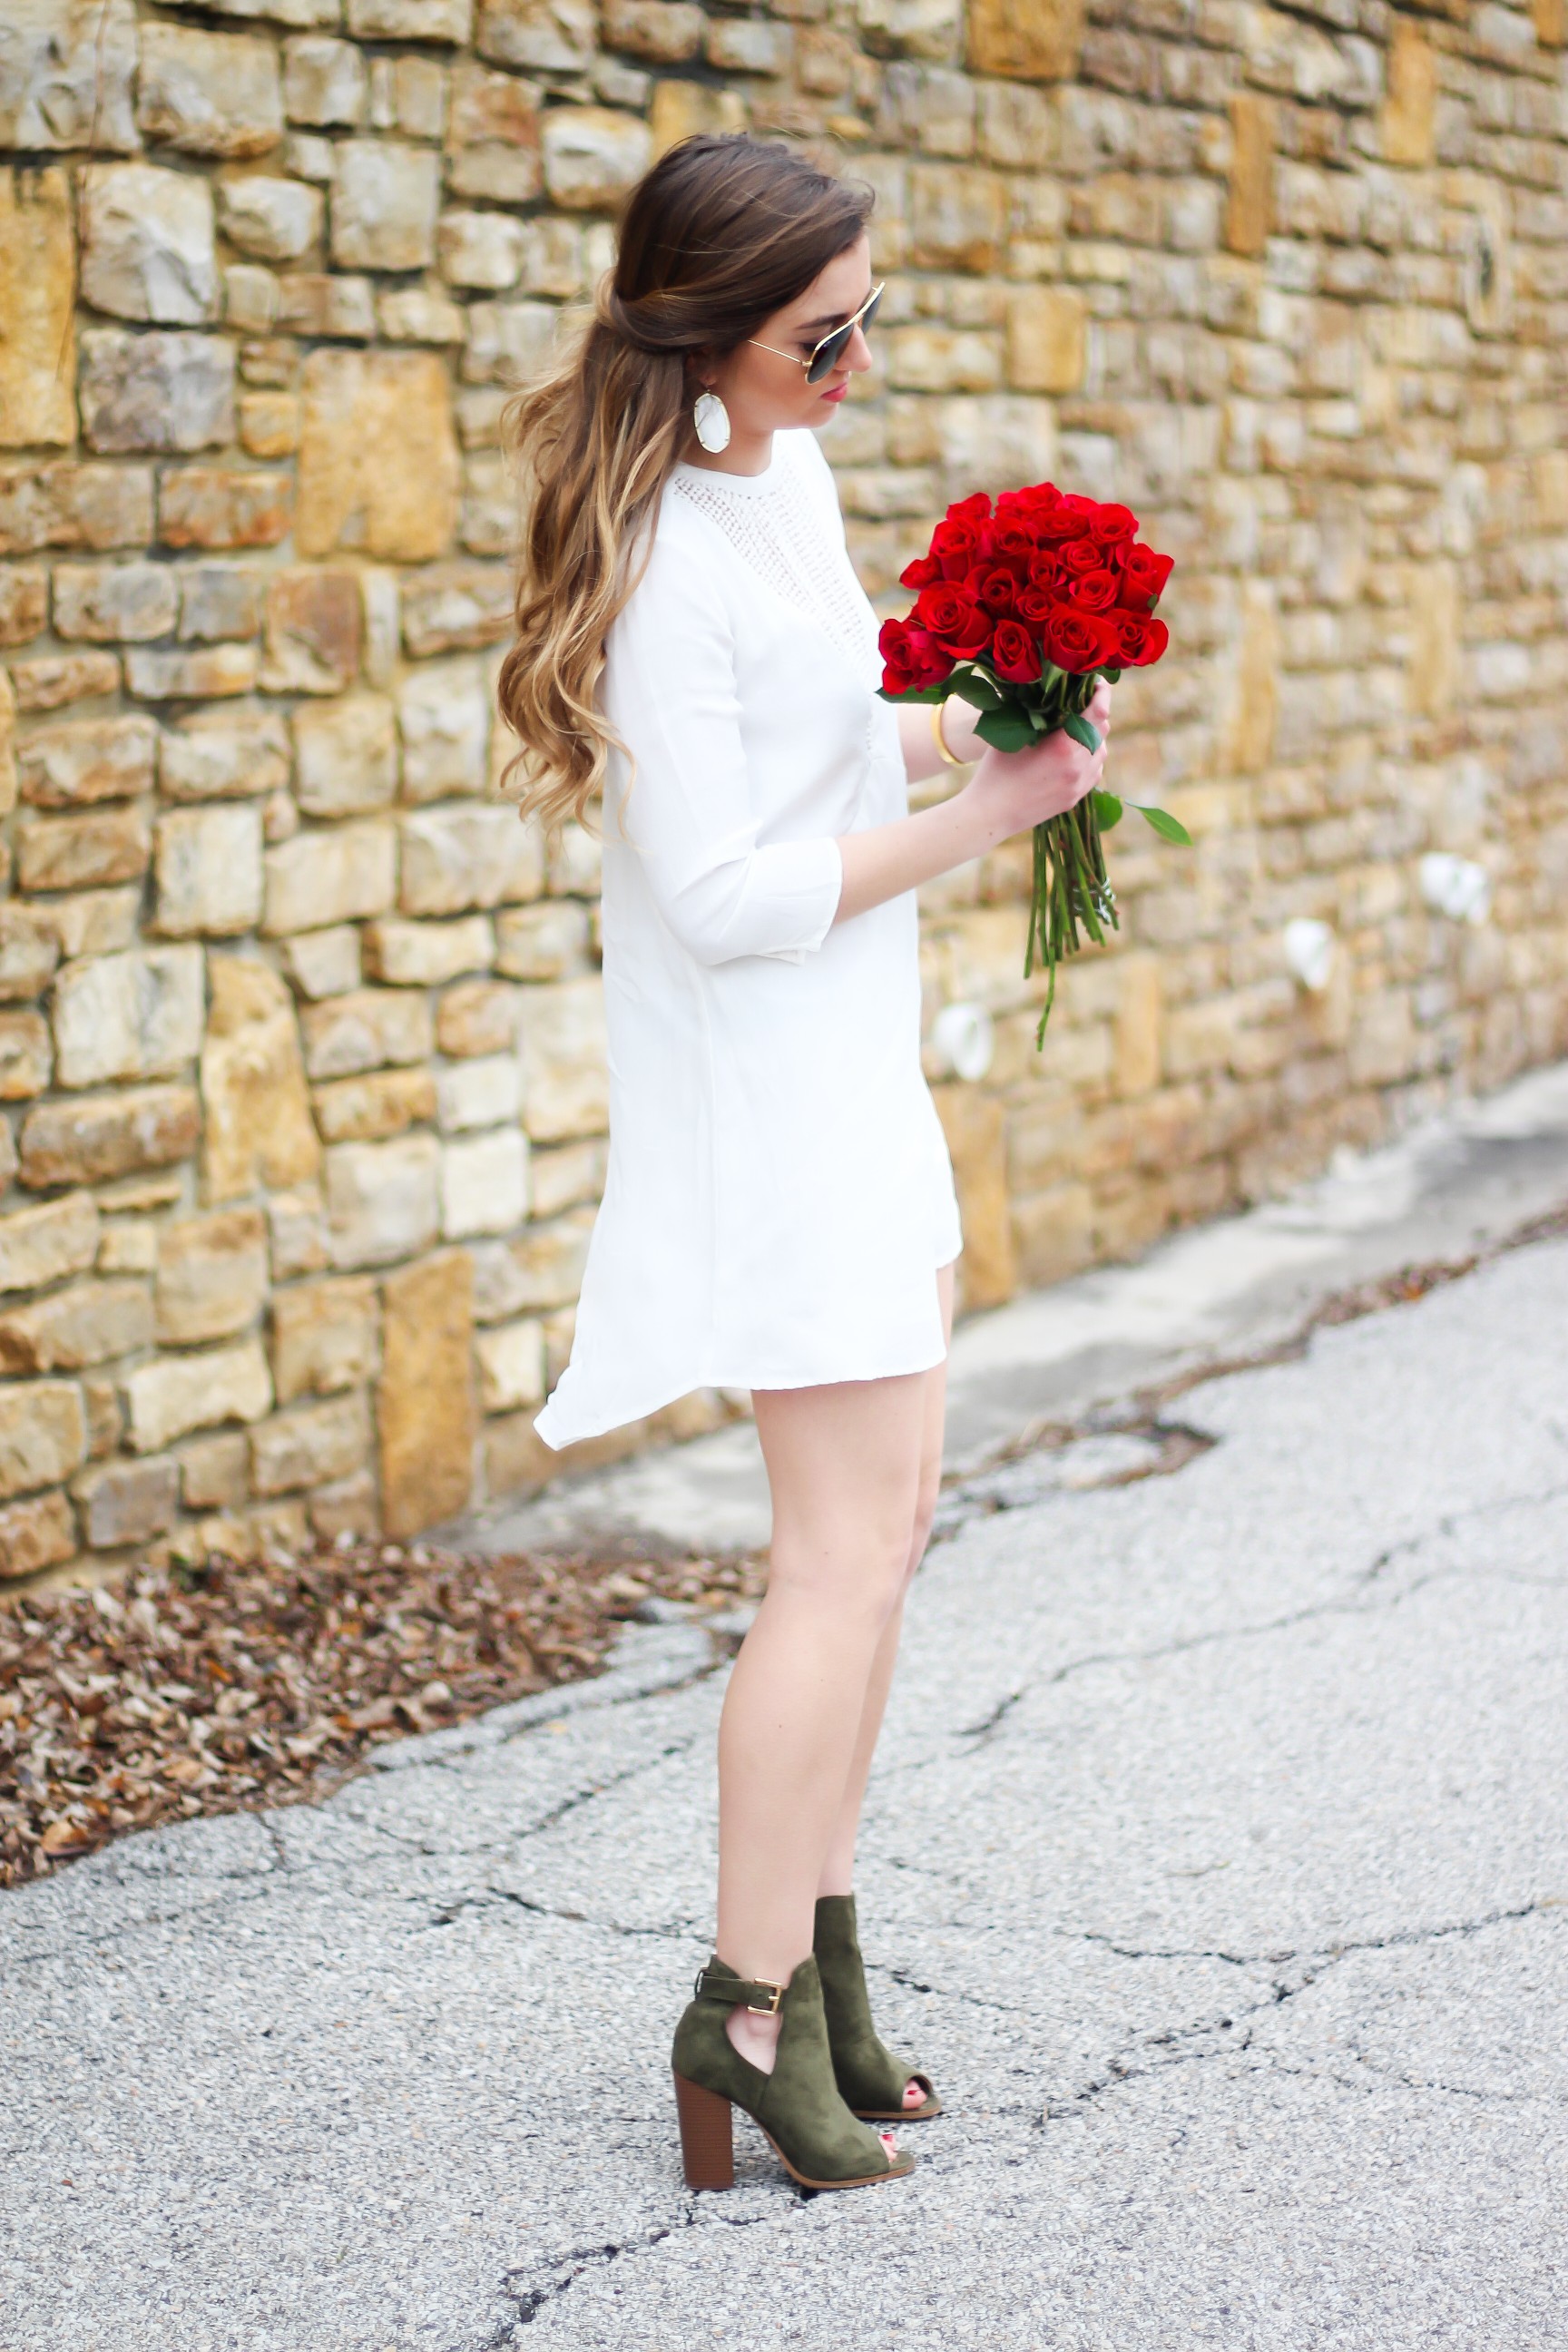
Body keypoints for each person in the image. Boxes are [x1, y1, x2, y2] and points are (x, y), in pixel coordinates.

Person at [497, 132, 1110, 2194]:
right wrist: (993, 814)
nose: (858, 358)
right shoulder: (666, 562)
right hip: (771, 1098)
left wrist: (987, 713)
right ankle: (738, 2015)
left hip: (859, 1074)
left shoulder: (789, 481)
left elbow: (841, 734)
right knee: (830, 1563)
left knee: (898, 1531)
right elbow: (732, 889)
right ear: (704, 344)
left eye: (868, 316)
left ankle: (827, 1971)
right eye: (819, 333)